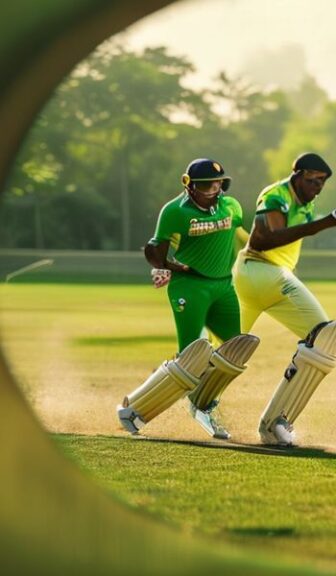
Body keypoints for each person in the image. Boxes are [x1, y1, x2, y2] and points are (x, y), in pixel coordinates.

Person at [233, 152, 336, 446]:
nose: (318, 186)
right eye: (313, 179)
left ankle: (138, 408)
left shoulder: (307, 202)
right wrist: (332, 220)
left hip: (269, 278)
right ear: (298, 175)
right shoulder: (277, 195)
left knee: (223, 350)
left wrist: (330, 220)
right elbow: (265, 239)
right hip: (259, 271)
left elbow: (291, 239)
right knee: (323, 336)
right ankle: (272, 422)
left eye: (323, 182)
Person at [116, 158, 259, 440]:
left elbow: (241, 235)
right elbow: (157, 247)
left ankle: (204, 403)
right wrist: (164, 266)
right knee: (191, 356)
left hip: (223, 286)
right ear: (189, 184)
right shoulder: (174, 211)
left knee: (235, 351)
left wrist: (256, 257)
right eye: (206, 185)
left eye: (218, 184)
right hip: (189, 287)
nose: (213, 189)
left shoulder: (232, 206)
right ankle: (132, 408)